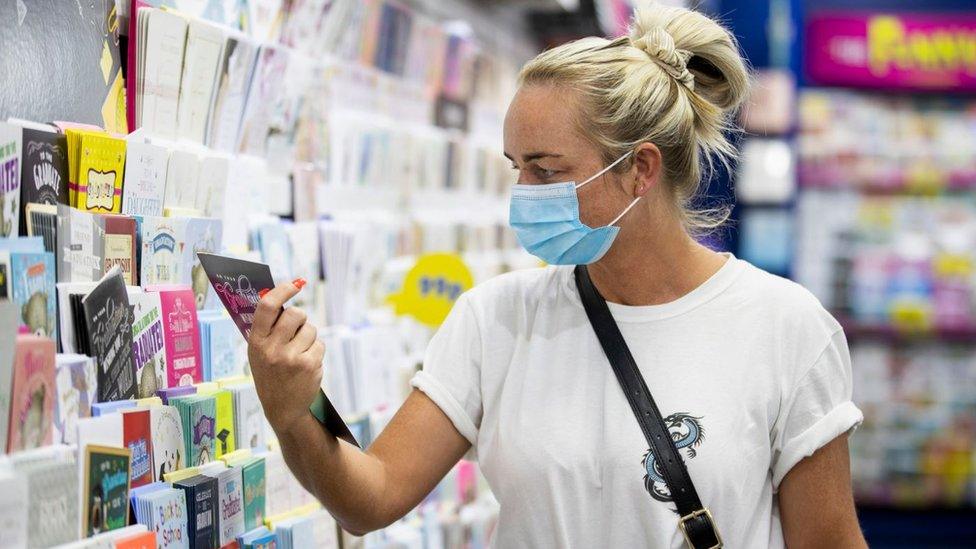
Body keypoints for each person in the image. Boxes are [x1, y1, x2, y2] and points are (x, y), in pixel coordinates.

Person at [247, 3, 867, 547]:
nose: (523, 193)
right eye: (517, 167)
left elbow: (828, 540)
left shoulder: (785, 329)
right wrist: (293, 409)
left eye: (545, 170)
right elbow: (371, 497)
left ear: (641, 170)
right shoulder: (496, 319)